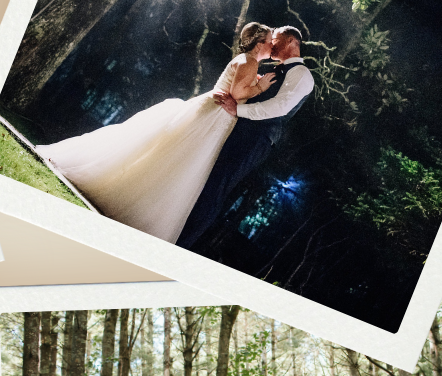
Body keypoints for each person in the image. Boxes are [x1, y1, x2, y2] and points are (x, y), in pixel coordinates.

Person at [35, 23, 281, 240]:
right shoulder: (249, 61)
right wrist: (259, 87)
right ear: (259, 43)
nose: (272, 46)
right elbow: (237, 95)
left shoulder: (246, 61)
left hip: (215, 115)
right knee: (178, 160)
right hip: (215, 117)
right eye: (270, 41)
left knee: (172, 157)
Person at [176, 26, 315, 248]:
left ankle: (180, 242)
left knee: (216, 186)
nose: (272, 44)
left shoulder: (302, 75)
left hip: (255, 139)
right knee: (206, 177)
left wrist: (238, 110)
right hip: (239, 129)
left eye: (276, 39)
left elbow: (279, 107)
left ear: (290, 42)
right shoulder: (275, 69)